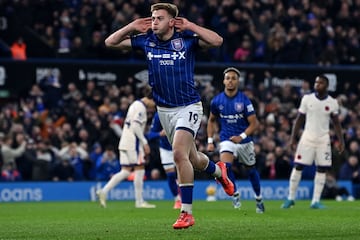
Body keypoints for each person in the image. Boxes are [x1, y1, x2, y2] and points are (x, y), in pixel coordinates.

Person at [104, 2, 234, 229]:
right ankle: (219, 171)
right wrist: (131, 26)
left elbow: (217, 41)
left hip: (189, 107)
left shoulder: (187, 41)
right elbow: (110, 42)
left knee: (178, 154)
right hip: (164, 110)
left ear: (172, 22)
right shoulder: (146, 41)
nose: (154, 21)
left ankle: (186, 212)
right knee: (193, 159)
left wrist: (192, 25)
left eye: (159, 18)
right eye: (152, 18)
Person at [281, 74, 345, 209]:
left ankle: (315, 201)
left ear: (326, 86)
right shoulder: (307, 99)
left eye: (320, 83)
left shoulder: (332, 102)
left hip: (323, 140)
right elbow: (299, 119)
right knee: (298, 166)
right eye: (316, 83)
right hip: (307, 138)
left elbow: (336, 123)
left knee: (322, 169)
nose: (317, 85)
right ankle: (290, 198)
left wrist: (341, 141)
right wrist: (293, 138)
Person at [207, 67, 265, 213]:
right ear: (224, 81)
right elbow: (211, 120)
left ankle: (258, 199)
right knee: (225, 167)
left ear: (238, 81)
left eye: (233, 78)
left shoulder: (244, 100)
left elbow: (254, 123)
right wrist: (209, 140)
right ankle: (235, 195)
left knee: (251, 170)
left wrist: (242, 137)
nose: (230, 81)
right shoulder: (217, 100)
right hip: (226, 138)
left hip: (244, 141)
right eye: (228, 78)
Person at [96, 87, 157, 209]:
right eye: (154, 103)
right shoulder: (141, 108)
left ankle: (104, 191)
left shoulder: (134, 104)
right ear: (150, 99)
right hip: (133, 142)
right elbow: (135, 126)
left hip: (124, 141)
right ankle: (139, 202)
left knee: (125, 171)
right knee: (140, 168)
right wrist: (144, 142)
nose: (153, 107)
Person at [147, 111, 181, 209]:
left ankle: (185, 199)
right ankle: (177, 200)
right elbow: (151, 135)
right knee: (170, 175)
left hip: (179, 146)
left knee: (182, 173)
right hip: (166, 149)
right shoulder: (158, 115)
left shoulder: (180, 112)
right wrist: (159, 134)